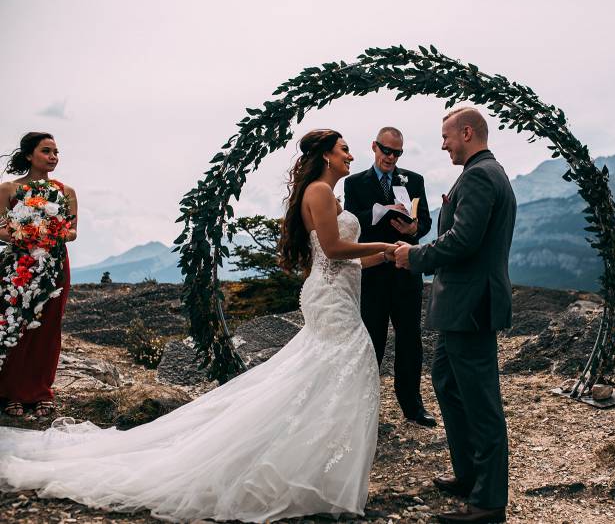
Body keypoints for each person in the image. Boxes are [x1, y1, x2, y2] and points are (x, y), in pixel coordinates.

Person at [0, 129, 396, 523]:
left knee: (323, 375)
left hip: (338, 292)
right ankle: (308, 472)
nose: (351, 155)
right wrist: (383, 244)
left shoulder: (329, 194)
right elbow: (330, 249)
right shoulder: (320, 192)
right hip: (330, 300)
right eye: (345, 149)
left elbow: (345, 260)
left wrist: (391, 257)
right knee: (341, 368)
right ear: (327, 155)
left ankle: (319, 473)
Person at [395, 108, 516, 524]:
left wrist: (414, 256)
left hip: (471, 307)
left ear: (467, 133)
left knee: (481, 403)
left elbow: (464, 240)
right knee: (447, 383)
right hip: (459, 308)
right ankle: (468, 474)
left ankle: (488, 502)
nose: (443, 144)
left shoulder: (482, 175)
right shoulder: (484, 172)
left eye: (447, 136)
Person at [343, 126, 435, 427]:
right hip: (373, 273)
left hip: (406, 272)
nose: (391, 157)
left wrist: (413, 230)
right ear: (374, 147)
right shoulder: (355, 183)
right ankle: (365, 408)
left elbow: (425, 221)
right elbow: (352, 222)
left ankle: (413, 407)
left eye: (397, 153)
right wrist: (380, 212)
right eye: (386, 151)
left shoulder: (414, 180)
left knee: (410, 339)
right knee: (372, 341)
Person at [0, 132, 78, 418]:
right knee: (17, 325)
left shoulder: (66, 192)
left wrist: (51, 231)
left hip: (55, 265)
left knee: (48, 327)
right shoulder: (8, 189)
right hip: (19, 266)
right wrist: (25, 231)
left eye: (56, 152)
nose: (53, 157)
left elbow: (72, 231)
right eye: (46, 151)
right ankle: (11, 391)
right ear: (29, 155)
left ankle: (41, 391)